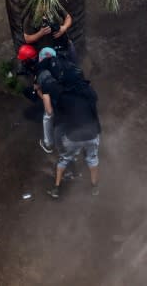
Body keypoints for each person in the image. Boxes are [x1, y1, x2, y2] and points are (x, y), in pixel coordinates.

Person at [34, 48, 102, 198]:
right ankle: (95, 188)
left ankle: (56, 189)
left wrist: (39, 91)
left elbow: (51, 109)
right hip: (92, 134)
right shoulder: (89, 93)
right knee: (92, 158)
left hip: (74, 136)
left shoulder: (64, 97)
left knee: (64, 159)